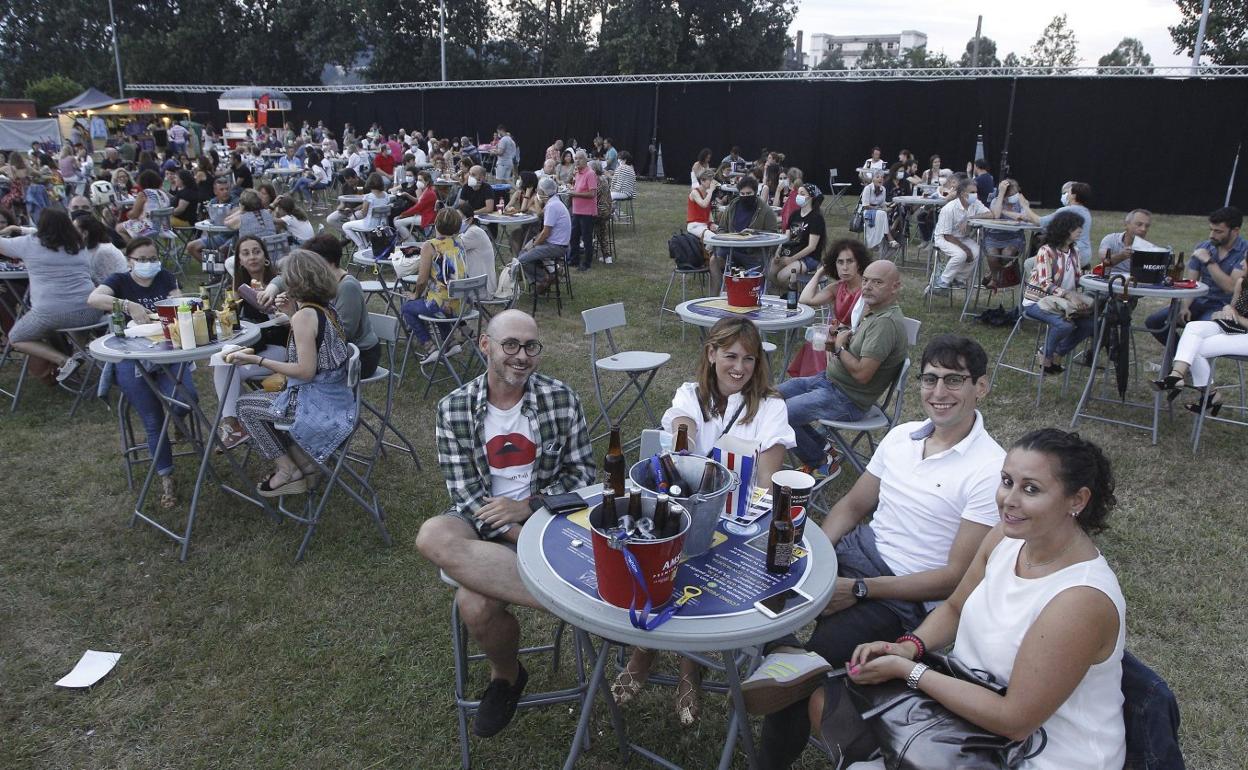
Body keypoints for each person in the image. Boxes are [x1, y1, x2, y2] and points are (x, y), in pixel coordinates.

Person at [747, 335, 1006, 770]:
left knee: (802, 676)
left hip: (903, 596)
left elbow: (953, 577)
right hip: (855, 554)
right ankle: (785, 656)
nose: (938, 392)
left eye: (953, 380)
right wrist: (814, 561)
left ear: (981, 387)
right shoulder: (903, 436)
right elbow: (852, 506)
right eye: (930, 379)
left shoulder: (990, 468)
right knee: (763, 590)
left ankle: (786, 701)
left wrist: (859, 590)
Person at [845, 428, 1125, 770]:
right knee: (832, 705)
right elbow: (955, 607)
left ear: (1077, 500)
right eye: (1007, 481)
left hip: (1045, 753)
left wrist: (910, 670)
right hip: (972, 715)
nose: (1009, 499)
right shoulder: (1006, 538)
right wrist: (908, 646)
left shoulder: (1080, 600)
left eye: (1031, 489)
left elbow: (1015, 720)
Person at [415, 309, 594, 738]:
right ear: (486, 346)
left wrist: (528, 509)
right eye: (510, 345)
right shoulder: (453, 408)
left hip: (546, 518)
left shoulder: (560, 399)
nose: (521, 356)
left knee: (473, 603)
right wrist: (515, 533)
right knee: (432, 534)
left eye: (531, 347)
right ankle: (572, 606)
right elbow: (466, 494)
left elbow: (583, 477)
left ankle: (504, 678)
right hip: (481, 523)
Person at [612, 317, 795, 724]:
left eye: (749, 358)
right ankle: (653, 653)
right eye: (730, 355)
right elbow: (683, 430)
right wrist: (685, 438)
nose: (740, 367)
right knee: (667, 553)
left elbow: (767, 482)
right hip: (685, 515)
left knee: (689, 563)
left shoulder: (770, 407)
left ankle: (682, 665)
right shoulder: (691, 395)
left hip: (737, 521)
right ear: (711, 354)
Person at [233, 250, 355, 497]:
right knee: (264, 405)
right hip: (338, 395)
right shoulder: (324, 308)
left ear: (295, 281)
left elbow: (305, 371)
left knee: (245, 406)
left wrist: (257, 359)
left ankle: (287, 469)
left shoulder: (304, 317)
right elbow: (316, 343)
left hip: (319, 402)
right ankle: (307, 464)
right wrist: (291, 314)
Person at [87, 238, 192, 508]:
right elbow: (94, 298)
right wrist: (127, 305)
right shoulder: (119, 280)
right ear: (130, 260)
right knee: (153, 419)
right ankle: (167, 480)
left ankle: (178, 422)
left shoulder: (165, 277)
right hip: (132, 357)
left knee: (186, 399)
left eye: (152, 258)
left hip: (168, 351)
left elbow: (178, 302)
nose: (149, 264)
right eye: (142, 259)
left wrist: (177, 304)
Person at [779, 260, 906, 478]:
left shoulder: (885, 324)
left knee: (779, 415)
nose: (867, 286)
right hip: (828, 382)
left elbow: (863, 374)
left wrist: (838, 349)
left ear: (895, 287)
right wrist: (840, 340)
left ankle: (820, 461)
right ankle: (823, 447)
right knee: (768, 398)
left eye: (877, 282)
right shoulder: (874, 313)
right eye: (865, 280)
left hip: (847, 399)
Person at [0, 210, 100, 380]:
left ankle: (64, 360)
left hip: (50, 313)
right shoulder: (78, 246)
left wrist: (9, 231)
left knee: (16, 337)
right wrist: (22, 229)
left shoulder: (30, 244)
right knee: (61, 324)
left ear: (41, 226)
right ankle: (79, 351)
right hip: (90, 311)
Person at [210, 236, 285, 449]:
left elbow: (290, 323)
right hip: (252, 348)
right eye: (246, 253)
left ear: (265, 257)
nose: (252, 257)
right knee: (224, 364)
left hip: (281, 349)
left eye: (256, 251)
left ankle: (240, 423)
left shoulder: (277, 283)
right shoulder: (237, 290)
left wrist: (272, 307)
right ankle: (235, 422)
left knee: (227, 366)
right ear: (239, 261)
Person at [1145, 206, 1246, 349]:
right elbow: (1191, 283)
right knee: (1154, 321)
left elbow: (1230, 287)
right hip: (1199, 301)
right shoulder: (1204, 246)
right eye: (1211, 229)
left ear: (1235, 231)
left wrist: (1209, 261)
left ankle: (1186, 362)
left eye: (1218, 231)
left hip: (1224, 307)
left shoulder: (1244, 253)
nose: (1212, 235)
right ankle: (1181, 359)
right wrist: (1185, 306)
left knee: (1199, 332)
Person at [1155, 263, 1248, 416]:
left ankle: (1210, 394)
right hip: (1234, 328)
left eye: (1246, 260)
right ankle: (1177, 375)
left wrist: (1236, 317)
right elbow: (1233, 308)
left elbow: (1238, 317)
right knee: (1193, 327)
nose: (1242, 263)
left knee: (1196, 346)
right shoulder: (1242, 282)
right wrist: (1227, 310)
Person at [1022, 210, 1094, 374]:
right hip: (1038, 302)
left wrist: (1092, 277)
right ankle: (1045, 353)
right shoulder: (1046, 251)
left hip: (1062, 302)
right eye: (1077, 227)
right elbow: (1045, 283)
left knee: (1090, 325)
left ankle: (1056, 353)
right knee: (1064, 325)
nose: (1080, 231)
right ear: (1066, 229)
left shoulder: (1074, 251)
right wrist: (1069, 295)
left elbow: (1075, 276)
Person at [399, 208, 471, 362]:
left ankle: (430, 346)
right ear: (458, 227)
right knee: (436, 303)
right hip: (461, 306)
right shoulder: (460, 243)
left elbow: (421, 280)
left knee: (407, 308)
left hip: (442, 306)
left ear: (436, 224)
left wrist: (415, 295)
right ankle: (450, 342)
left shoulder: (430, 246)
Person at [711, 175, 778, 291]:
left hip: (754, 253)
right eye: (742, 194)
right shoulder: (732, 207)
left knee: (754, 280)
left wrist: (755, 233)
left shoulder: (765, 210)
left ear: (755, 193)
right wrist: (730, 238)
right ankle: (716, 295)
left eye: (748, 194)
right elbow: (721, 229)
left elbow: (774, 234)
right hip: (732, 249)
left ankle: (756, 296)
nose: (745, 196)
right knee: (714, 261)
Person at [928, 178, 990, 294]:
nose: (975, 195)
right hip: (944, 238)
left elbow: (990, 214)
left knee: (977, 252)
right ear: (962, 194)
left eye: (975, 192)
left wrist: (969, 218)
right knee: (960, 255)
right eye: (972, 192)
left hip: (962, 238)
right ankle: (942, 282)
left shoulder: (975, 204)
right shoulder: (949, 208)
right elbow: (947, 235)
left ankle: (958, 278)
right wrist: (965, 249)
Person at [798, 238, 869, 328]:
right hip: (838, 336)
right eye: (840, 262)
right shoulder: (836, 288)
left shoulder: (868, 289)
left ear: (859, 263)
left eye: (850, 261)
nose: (845, 267)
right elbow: (805, 299)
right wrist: (819, 273)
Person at [518, 177, 571, 292]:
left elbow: (545, 233)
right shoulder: (555, 201)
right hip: (557, 243)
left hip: (556, 246)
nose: (537, 193)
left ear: (542, 192)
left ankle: (545, 279)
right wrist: (532, 243)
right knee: (523, 251)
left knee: (522, 260)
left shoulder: (552, 206)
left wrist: (534, 244)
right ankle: (537, 282)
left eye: (538, 191)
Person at [771, 183, 826, 291]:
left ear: (811, 197)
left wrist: (792, 259)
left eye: (802, 193)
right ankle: (789, 294)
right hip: (791, 251)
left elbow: (811, 247)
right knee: (770, 273)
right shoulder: (794, 214)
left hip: (809, 258)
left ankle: (795, 295)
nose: (798, 196)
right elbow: (786, 237)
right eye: (798, 193)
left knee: (782, 276)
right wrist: (779, 250)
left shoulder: (816, 218)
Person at [1025, 181, 1093, 267]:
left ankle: (1038, 279)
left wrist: (1025, 205)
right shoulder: (1086, 212)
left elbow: (1039, 222)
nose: (1066, 195)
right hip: (1085, 255)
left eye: (1068, 192)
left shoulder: (1066, 210)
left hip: (1070, 255)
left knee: (1028, 264)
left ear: (1073, 195)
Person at [981, 178, 1033, 289]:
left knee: (1007, 254)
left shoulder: (1021, 202)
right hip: (993, 236)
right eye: (1011, 194)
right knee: (992, 257)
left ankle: (993, 275)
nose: (1014, 196)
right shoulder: (997, 201)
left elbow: (1025, 217)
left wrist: (1008, 212)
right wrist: (1001, 195)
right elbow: (996, 215)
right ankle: (995, 279)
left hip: (1013, 237)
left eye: (1016, 193)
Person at [185, 177, 237, 265]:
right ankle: (214, 269)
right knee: (191, 247)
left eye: (227, 189)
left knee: (223, 249)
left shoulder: (236, 201)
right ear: (215, 191)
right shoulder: (213, 202)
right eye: (222, 189)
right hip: (220, 236)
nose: (225, 191)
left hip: (234, 236)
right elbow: (211, 219)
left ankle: (223, 270)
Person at [453, 201, 499, 295]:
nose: (455, 222)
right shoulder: (469, 231)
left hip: (480, 288)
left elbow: (450, 249)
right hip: (476, 283)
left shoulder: (473, 232)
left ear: (469, 220)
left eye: (459, 219)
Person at [335, 173, 389, 251]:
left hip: (369, 224)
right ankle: (364, 243)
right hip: (382, 225)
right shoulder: (386, 195)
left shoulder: (369, 197)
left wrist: (356, 210)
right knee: (355, 222)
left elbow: (364, 213)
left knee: (345, 226)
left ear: (369, 183)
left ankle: (361, 246)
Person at [117, 170, 171, 243]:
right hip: (164, 228)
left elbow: (134, 215)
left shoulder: (144, 194)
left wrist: (127, 213)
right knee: (130, 225)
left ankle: (135, 250)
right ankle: (142, 246)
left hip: (147, 228)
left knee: (119, 228)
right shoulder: (163, 194)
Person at [567, 150, 598, 271]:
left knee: (586, 238)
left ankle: (587, 262)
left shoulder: (590, 173)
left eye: (579, 158)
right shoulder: (578, 173)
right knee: (574, 237)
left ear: (586, 160)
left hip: (587, 212)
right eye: (575, 158)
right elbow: (577, 188)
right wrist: (572, 189)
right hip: (576, 210)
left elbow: (592, 193)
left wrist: (575, 193)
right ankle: (574, 259)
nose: (577, 161)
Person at [1098, 209, 1153, 275]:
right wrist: (1122, 255)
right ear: (1126, 225)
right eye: (1139, 224)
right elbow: (1104, 261)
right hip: (1108, 281)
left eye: (1147, 226)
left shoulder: (1149, 249)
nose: (1143, 229)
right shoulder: (1111, 239)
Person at [503, 171, 543, 257]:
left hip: (534, 226)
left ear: (527, 182)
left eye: (520, 179)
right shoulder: (519, 192)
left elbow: (523, 209)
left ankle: (521, 260)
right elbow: (507, 207)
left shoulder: (535, 195)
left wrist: (528, 193)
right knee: (514, 236)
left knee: (525, 242)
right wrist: (510, 208)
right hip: (525, 224)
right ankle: (519, 260)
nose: (518, 181)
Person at [394, 169, 437, 242]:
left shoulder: (428, 193)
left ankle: (412, 242)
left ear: (427, 181)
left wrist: (402, 215)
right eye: (418, 180)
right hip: (425, 215)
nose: (418, 182)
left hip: (426, 217)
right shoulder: (427, 190)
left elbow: (417, 207)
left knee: (397, 223)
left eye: (420, 180)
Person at [590, 160, 614, 264]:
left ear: (593, 170)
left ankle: (585, 248)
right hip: (607, 210)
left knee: (582, 224)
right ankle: (607, 256)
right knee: (602, 232)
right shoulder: (604, 179)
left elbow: (592, 197)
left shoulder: (595, 180)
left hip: (598, 212)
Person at [686, 171, 718, 241]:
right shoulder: (695, 192)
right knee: (714, 238)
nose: (712, 183)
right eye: (710, 180)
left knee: (723, 233)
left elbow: (708, 210)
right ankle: (707, 251)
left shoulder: (707, 192)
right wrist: (711, 191)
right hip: (695, 225)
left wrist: (711, 223)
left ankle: (709, 250)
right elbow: (703, 204)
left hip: (705, 224)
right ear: (702, 181)